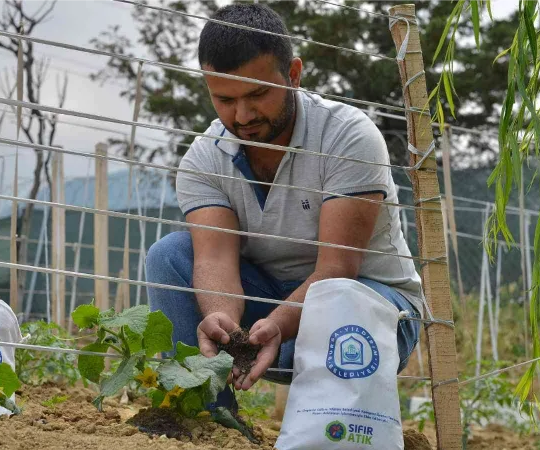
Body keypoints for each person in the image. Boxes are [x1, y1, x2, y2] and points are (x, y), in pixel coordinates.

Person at [145, 3, 423, 410]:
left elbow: (336, 271)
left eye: (258, 94)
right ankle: (208, 418)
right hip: (269, 321)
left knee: (346, 301)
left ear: (293, 74)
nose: (242, 115)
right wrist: (223, 318)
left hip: (369, 313)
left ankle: (333, 429)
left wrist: (277, 324)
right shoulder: (204, 159)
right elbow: (215, 257)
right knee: (169, 255)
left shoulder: (346, 136)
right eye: (224, 99)